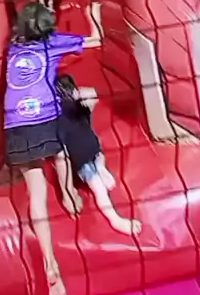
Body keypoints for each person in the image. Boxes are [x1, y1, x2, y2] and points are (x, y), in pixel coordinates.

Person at [4, 0, 102, 295]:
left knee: (37, 196)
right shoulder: (53, 42)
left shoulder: (13, 46)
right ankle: (69, 191)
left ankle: (50, 263)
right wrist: (93, 15)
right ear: (47, 28)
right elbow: (97, 40)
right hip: (43, 119)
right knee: (60, 151)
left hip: (14, 124)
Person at [56, 75, 142, 236]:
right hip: (82, 162)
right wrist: (68, 189)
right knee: (99, 188)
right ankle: (116, 220)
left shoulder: (79, 107)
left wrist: (81, 94)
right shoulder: (59, 119)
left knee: (100, 158)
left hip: (95, 151)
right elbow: (62, 156)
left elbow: (93, 96)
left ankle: (101, 168)